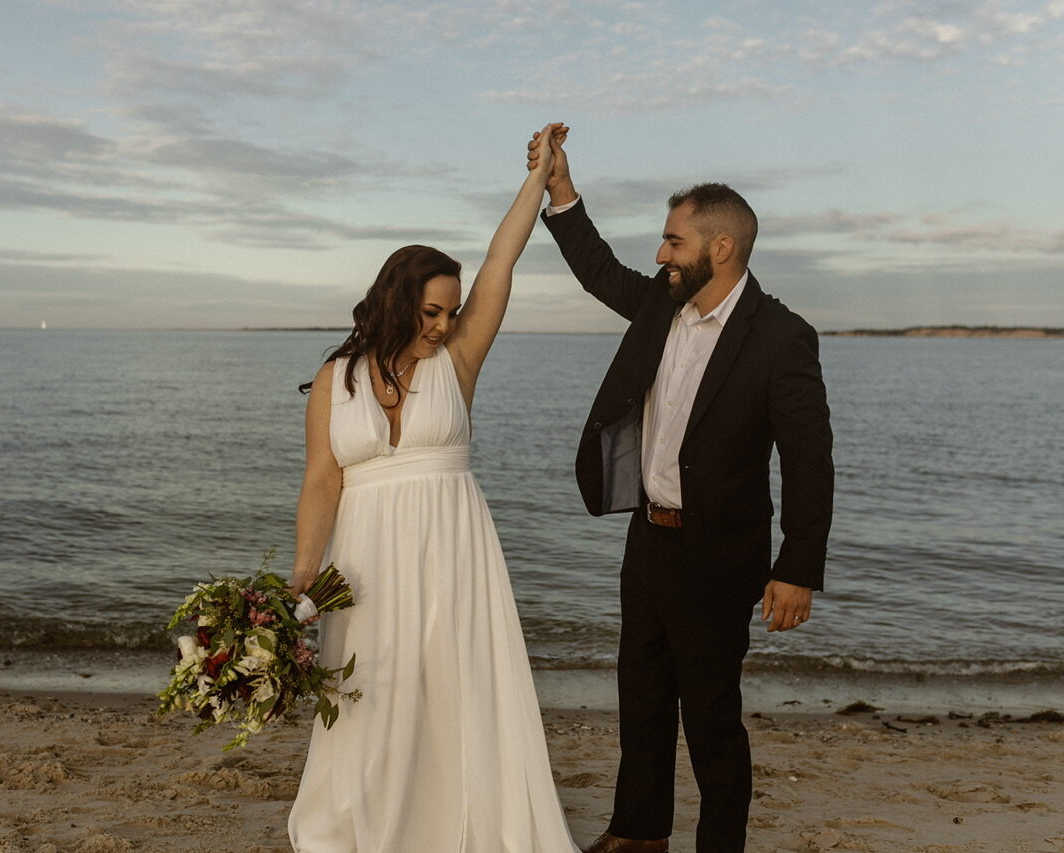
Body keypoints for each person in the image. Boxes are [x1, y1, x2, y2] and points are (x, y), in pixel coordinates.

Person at [528, 126, 834, 853]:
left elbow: (809, 457)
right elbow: (599, 269)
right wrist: (560, 188)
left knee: (710, 714)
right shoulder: (662, 306)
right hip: (649, 537)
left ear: (718, 248)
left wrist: (797, 566)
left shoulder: (781, 336)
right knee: (640, 694)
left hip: (719, 554)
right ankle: (639, 833)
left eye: (672, 241)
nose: (661, 255)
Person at [286, 124, 579, 852]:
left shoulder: (460, 359)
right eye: (431, 313)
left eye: (451, 312)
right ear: (396, 301)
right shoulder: (334, 379)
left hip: (453, 548)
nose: (446, 326)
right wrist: (300, 581)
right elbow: (322, 479)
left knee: (454, 688)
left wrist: (541, 177)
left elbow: (502, 256)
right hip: (362, 562)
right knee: (369, 692)